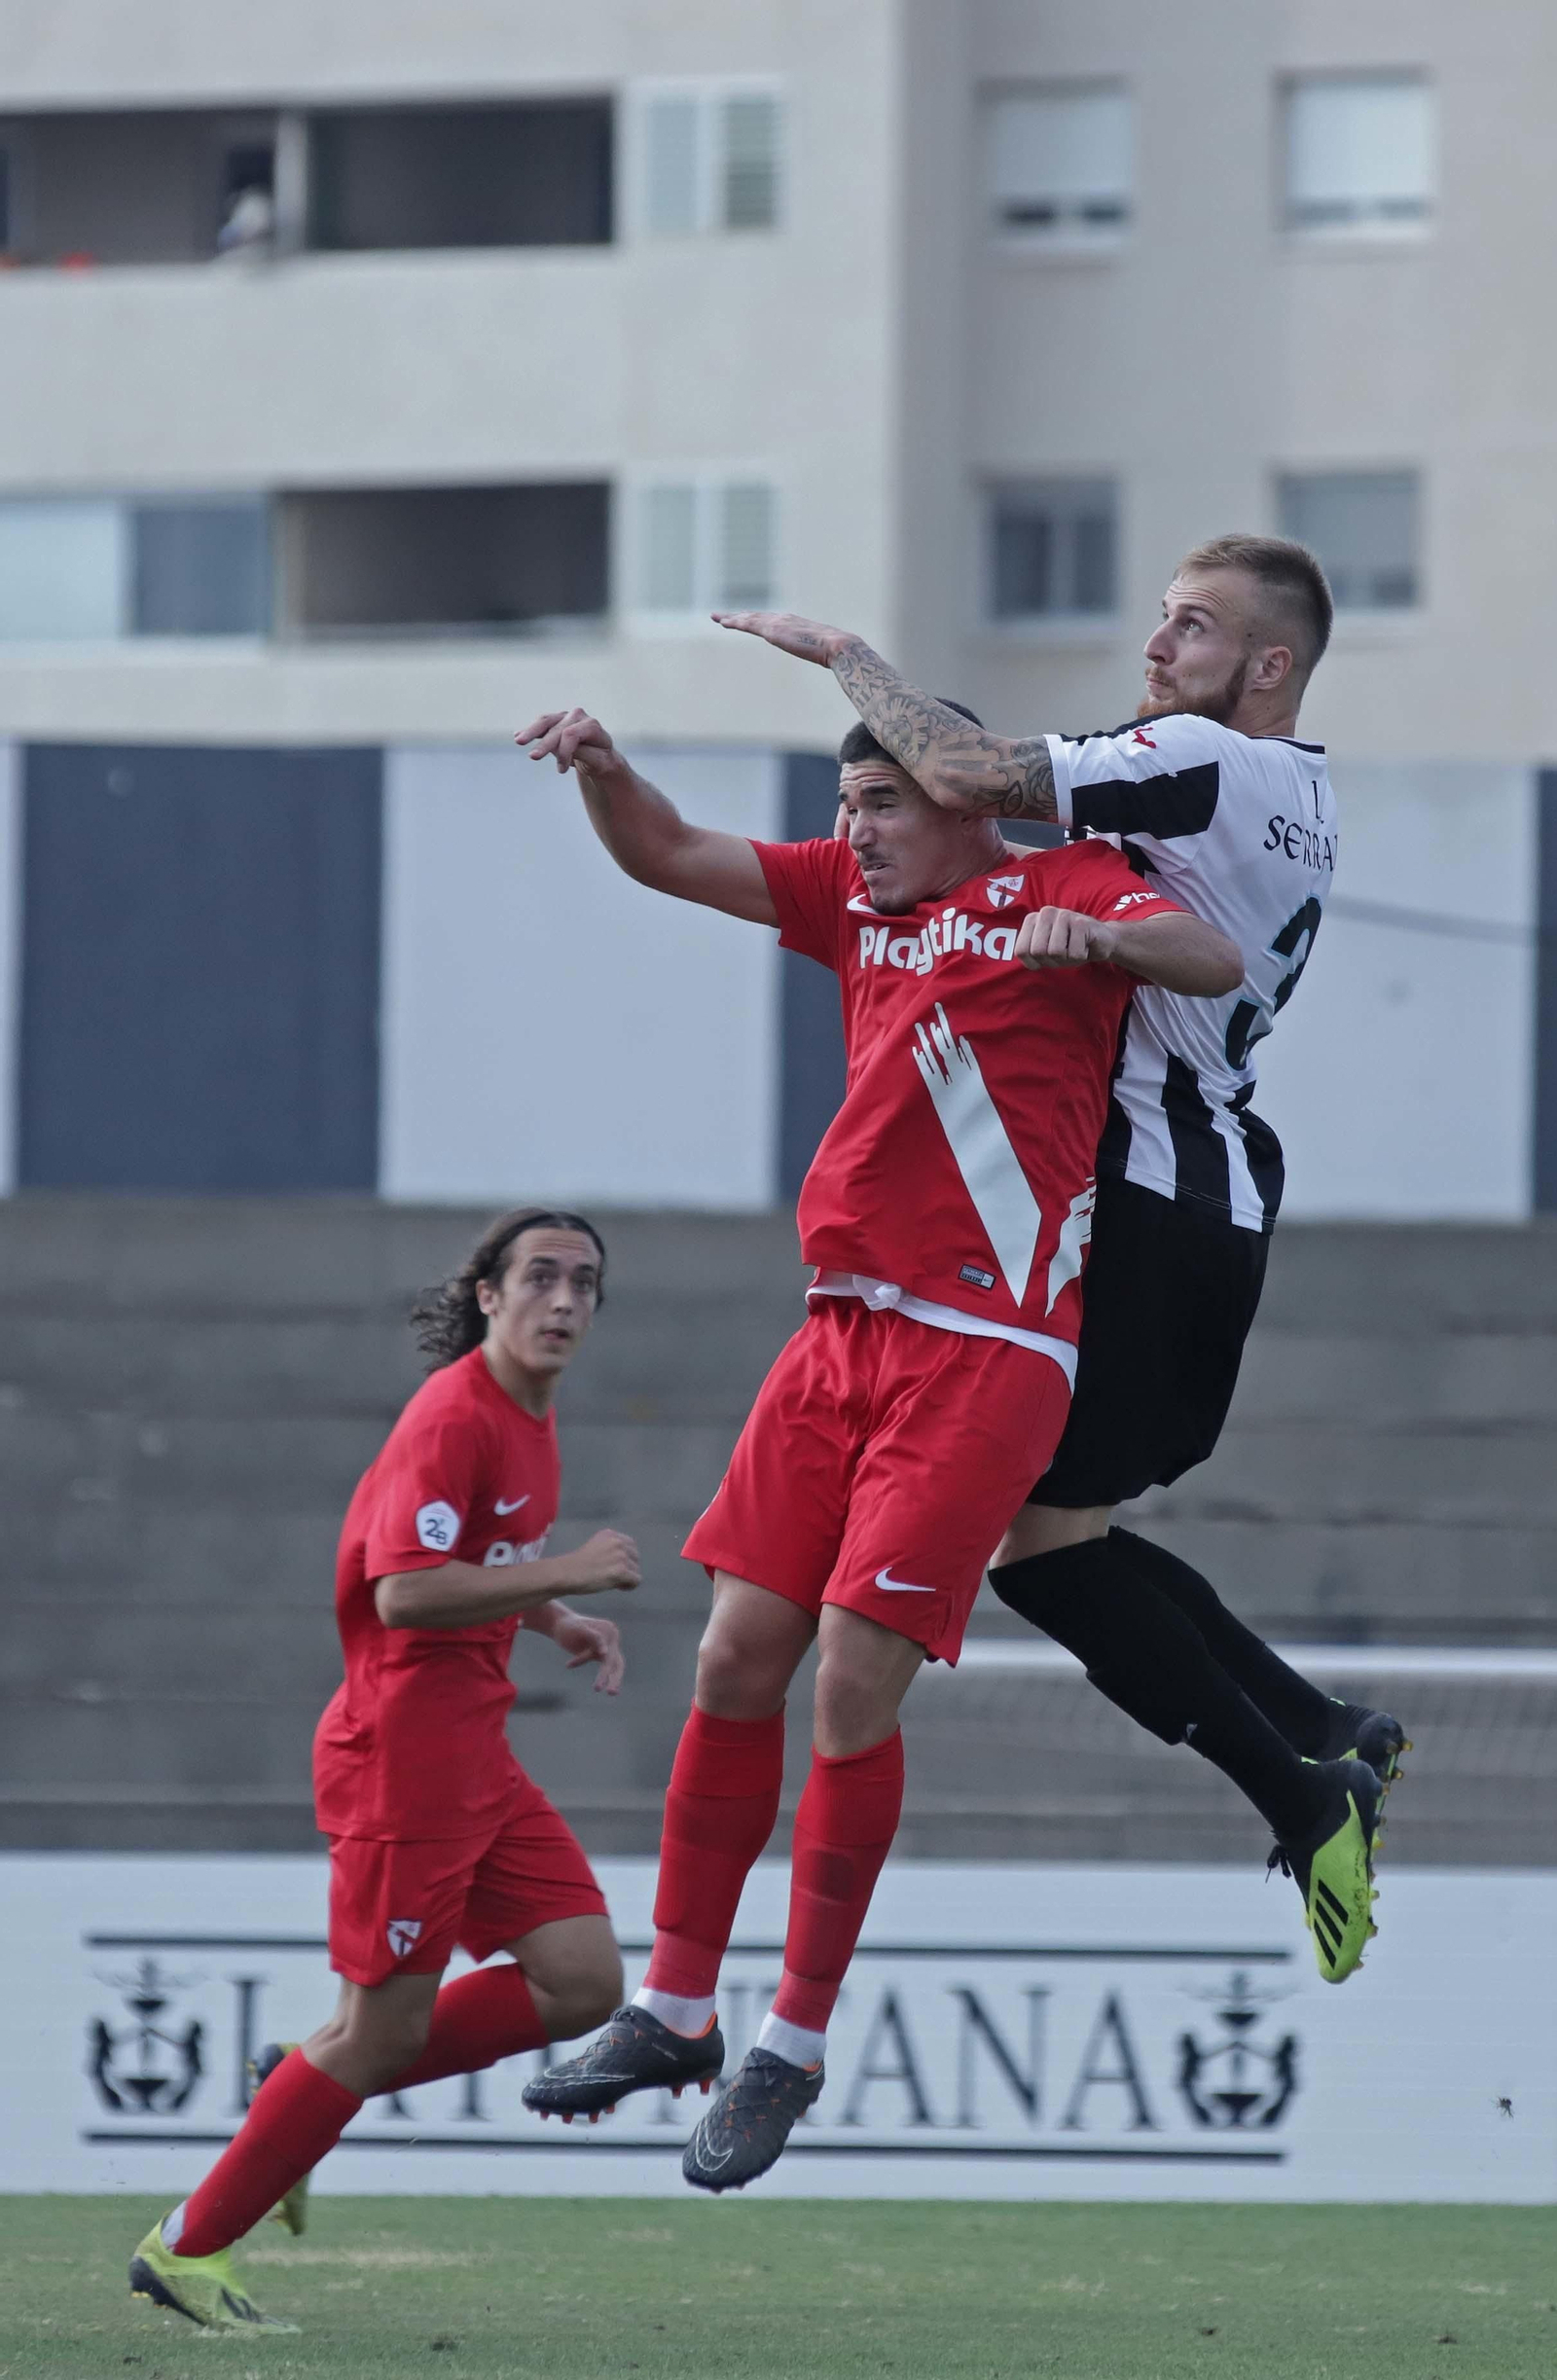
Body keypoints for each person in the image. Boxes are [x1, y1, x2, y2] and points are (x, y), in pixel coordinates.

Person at [508, 694, 1252, 2191]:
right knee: (733, 1659)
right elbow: (665, 851)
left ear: (968, 798)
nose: (855, 831)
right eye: (848, 806)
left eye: (884, 804)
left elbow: (1212, 956)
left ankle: (790, 2042)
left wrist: (1101, 941)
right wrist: (604, 769)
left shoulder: (1064, 882)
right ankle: (675, 2010)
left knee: (852, 1675)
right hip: (837, 1337)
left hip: (987, 1349)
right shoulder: (851, 898)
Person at [712, 533, 1404, 1986]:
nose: (1157, 647)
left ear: (1269, 664)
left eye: (1193, 625)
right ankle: (1324, 1739)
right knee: (1050, 1539)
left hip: (1153, 1193)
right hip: (1202, 1193)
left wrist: (843, 656)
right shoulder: (1302, 792)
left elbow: (963, 772)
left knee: (1037, 1550)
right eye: (1161, 618)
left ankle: (1310, 1791)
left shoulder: (1202, 759)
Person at [129, 1208, 641, 2332]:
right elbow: (403, 1589)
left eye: (585, 1282)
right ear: (488, 1294)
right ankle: (187, 2245)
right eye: (541, 1277)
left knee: (582, 1980)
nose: (565, 1299)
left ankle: (301, 2084)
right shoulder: (454, 1413)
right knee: (380, 2034)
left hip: (476, 1754)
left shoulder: (529, 1414)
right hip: (404, 1761)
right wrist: (570, 1573)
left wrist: (550, 1615)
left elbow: (478, 1555)